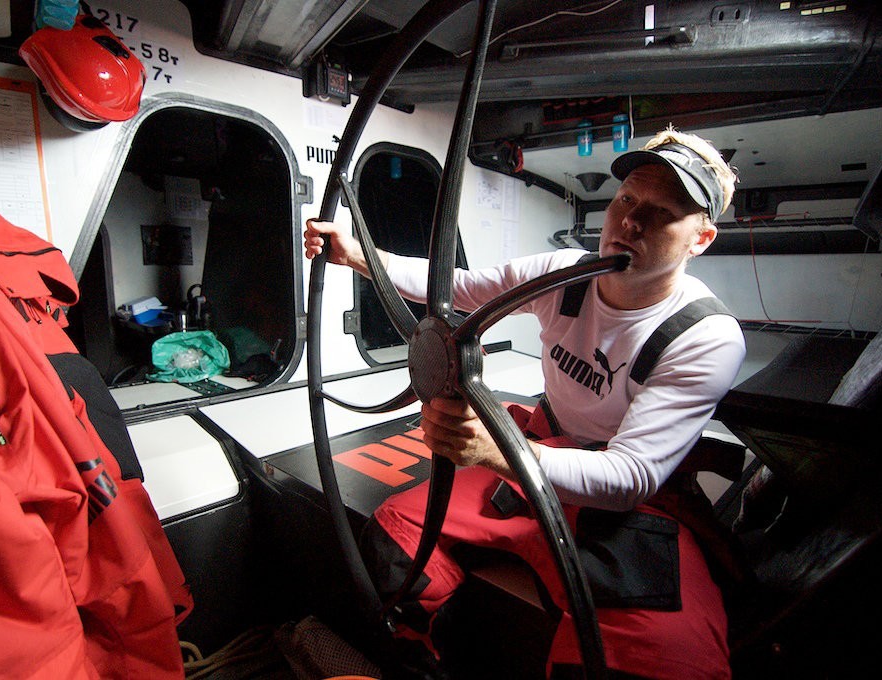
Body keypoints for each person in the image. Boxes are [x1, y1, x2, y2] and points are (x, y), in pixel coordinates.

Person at [304, 127, 744, 680]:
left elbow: (631, 476)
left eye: (662, 213)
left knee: (668, 659)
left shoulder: (705, 336)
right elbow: (460, 288)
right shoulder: (564, 275)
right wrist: (357, 255)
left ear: (700, 238)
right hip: (537, 449)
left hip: (622, 506)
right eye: (627, 200)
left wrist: (498, 452)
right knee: (396, 535)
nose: (631, 222)